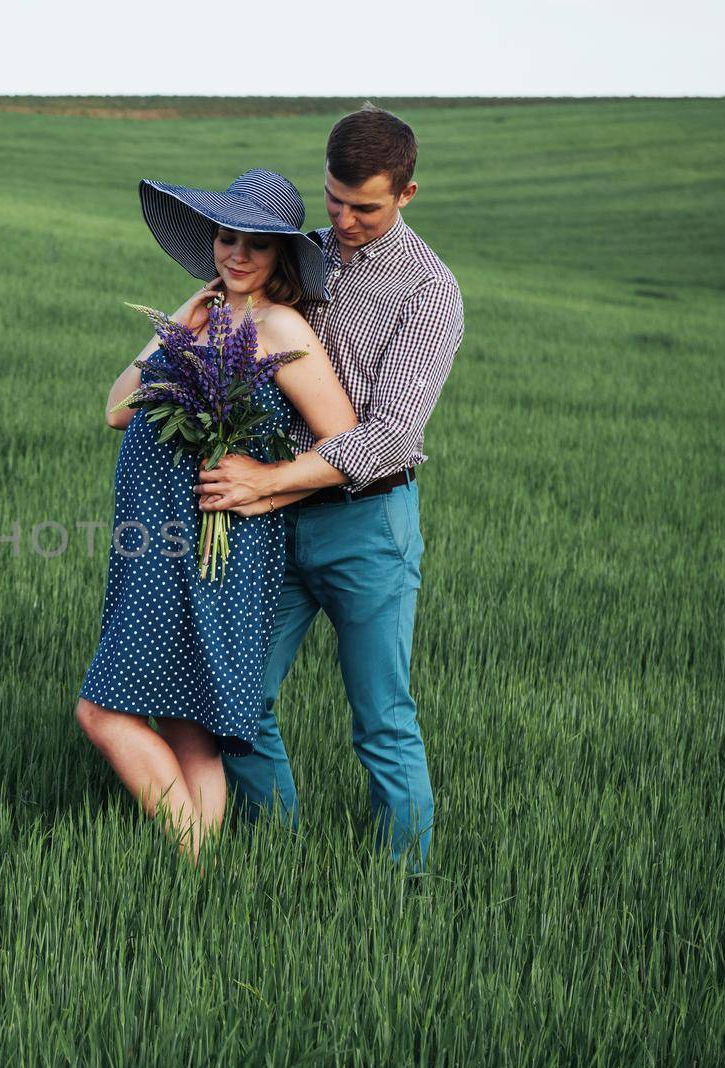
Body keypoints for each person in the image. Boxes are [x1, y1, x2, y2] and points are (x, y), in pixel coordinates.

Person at [194, 106, 465, 873]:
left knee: (381, 719)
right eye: (333, 198)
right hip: (271, 525)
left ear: (407, 194)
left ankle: (400, 893)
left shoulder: (429, 291)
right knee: (237, 694)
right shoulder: (299, 256)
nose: (342, 220)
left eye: (366, 207)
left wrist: (269, 479)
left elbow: (388, 436)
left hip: (368, 526)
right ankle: (276, 861)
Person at [75, 170, 357, 864]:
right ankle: (200, 878)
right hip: (156, 540)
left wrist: (264, 488)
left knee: (101, 712)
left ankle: (188, 853)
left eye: (255, 246)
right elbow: (117, 409)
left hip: (214, 544)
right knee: (184, 721)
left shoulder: (279, 326)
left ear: (282, 257)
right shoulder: (209, 319)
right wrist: (179, 326)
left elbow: (344, 440)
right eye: (226, 239)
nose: (235, 255)